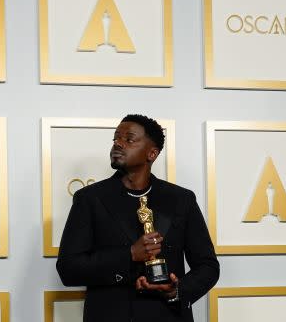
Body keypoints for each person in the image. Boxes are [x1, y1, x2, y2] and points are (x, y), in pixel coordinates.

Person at [56, 114, 219, 322]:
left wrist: (176, 291)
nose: (118, 143)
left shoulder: (181, 199)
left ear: (152, 153)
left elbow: (208, 266)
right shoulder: (89, 199)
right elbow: (68, 269)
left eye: (129, 139)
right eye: (115, 138)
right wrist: (130, 255)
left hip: (167, 316)